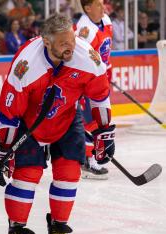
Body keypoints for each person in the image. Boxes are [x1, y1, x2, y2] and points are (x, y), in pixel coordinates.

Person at [0, 13, 115, 234]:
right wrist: (4, 147)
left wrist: (104, 130)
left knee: (69, 173)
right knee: (27, 176)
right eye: (63, 43)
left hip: (68, 118)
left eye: (71, 39)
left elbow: (100, 94)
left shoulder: (85, 56)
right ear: (46, 42)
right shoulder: (26, 63)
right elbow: (8, 109)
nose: (71, 46)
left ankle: (58, 230)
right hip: (29, 124)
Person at [74, 0, 113, 179]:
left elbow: (105, 54)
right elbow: (78, 60)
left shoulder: (106, 20)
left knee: (98, 120)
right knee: (90, 122)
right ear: (88, 8)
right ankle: (89, 161)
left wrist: (106, 74)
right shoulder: (84, 30)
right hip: (87, 82)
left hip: (100, 79)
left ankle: (90, 156)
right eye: (98, 4)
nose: (102, 7)